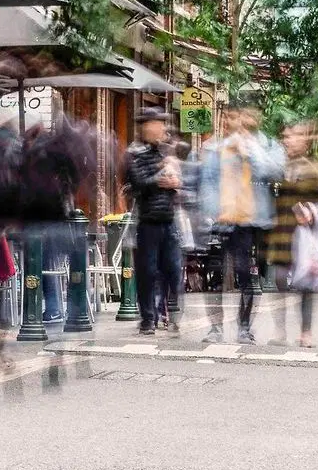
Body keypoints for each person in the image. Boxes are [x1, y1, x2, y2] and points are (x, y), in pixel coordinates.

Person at [198, 107, 285, 343]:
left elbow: (274, 171)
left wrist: (250, 150)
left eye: (243, 119)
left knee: (246, 276)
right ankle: (215, 329)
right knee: (214, 277)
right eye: (232, 118)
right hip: (221, 220)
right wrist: (213, 212)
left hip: (251, 222)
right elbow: (206, 182)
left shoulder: (267, 147)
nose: (237, 123)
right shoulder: (215, 149)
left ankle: (244, 327)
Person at [122, 108, 183, 335]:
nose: (161, 128)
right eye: (157, 123)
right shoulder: (134, 153)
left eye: (162, 124)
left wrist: (176, 182)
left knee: (173, 270)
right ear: (145, 126)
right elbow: (137, 182)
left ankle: (167, 313)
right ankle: (148, 318)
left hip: (168, 219)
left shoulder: (165, 152)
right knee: (147, 272)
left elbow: (177, 185)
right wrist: (160, 177)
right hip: (147, 221)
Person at [267, 121, 318, 348]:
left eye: (293, 136)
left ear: (305, 141)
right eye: (286, 136)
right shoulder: (279, 167)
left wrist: (311, 212)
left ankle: (306, 332)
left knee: (305, 283)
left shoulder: (311, 168)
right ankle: (280, 330)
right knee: (280, 279)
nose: (287, 140)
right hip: (281, 231)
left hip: (303, 234)